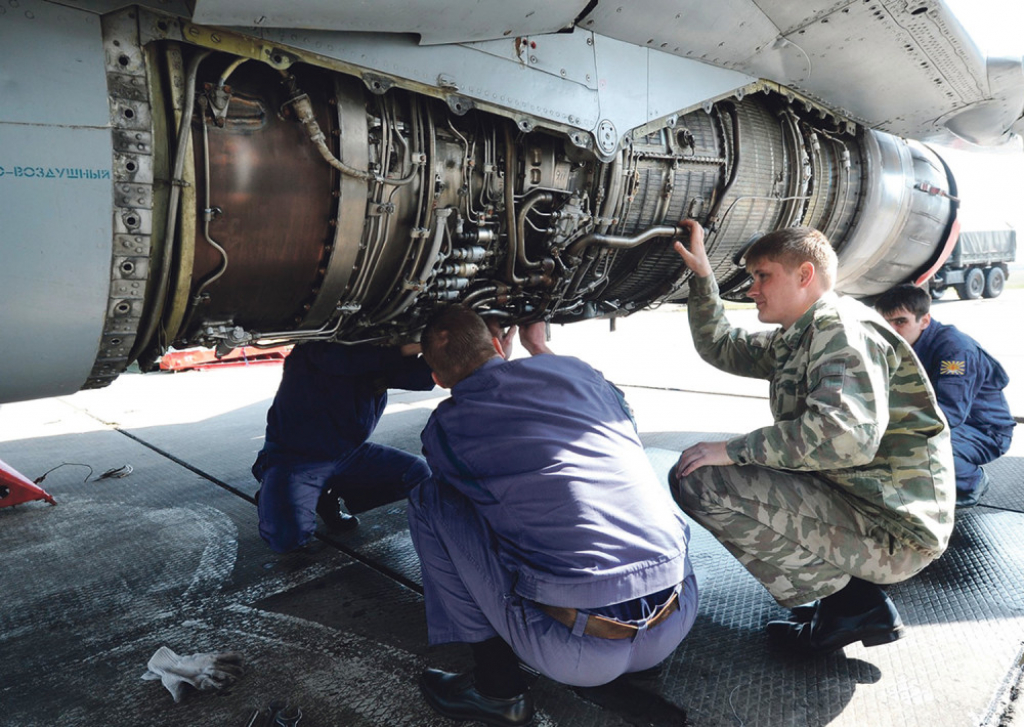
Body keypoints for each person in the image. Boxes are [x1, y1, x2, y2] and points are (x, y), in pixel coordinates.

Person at [668, 221, 955, 655]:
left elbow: (844, 436)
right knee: (705, 470)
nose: (752, 289)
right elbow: (722, 345)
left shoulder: (840, 329)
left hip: (893, 531)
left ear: (804, 275)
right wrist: (703, 277)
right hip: (861, 502)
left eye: (763, 276)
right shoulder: (804, 331)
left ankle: (853, 605)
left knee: (702, 480)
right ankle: (839, 595)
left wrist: (733, 450)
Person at [407, 306, 697, 727]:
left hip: (576, 652)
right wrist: (539, 349)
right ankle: (635, 652)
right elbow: (624, 419)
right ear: (498, 345)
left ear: (437, 379)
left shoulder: (445, 428)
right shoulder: (578, 372)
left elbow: (462, 498)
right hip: (678, 613)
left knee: (430, 499)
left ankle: (498, 689)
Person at [252, 340, 434, 553]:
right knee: (286, 539)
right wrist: (416, 345)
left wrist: (442, 350)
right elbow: (343, 360)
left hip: (347, 455)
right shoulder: (313, 350)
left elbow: (419, 376)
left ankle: (325, 496)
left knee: (417, 473)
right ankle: (276, 493)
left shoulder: (375, 360)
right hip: (295, 458)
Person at [875, 284, 1016, 507]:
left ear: (924, 320)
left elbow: (950, 412)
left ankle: (970, 483)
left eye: (900, 321)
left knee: (921, 446)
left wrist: (895, 429)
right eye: (886, 323)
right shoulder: (899, 344)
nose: (891, 330)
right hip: (943, 421)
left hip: (984, 429)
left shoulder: (955, 350)